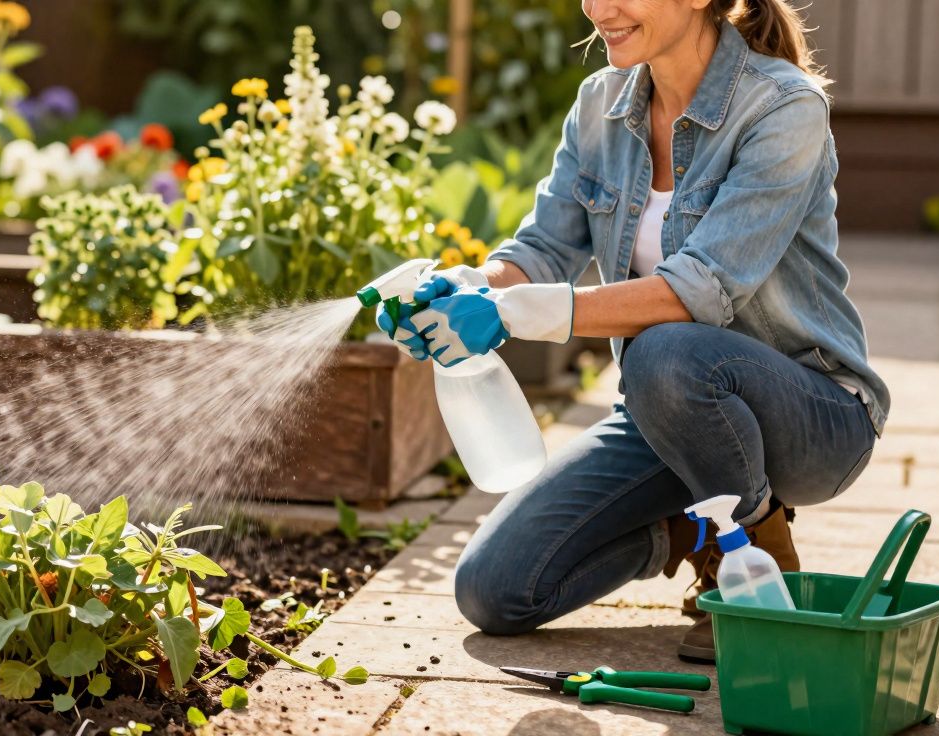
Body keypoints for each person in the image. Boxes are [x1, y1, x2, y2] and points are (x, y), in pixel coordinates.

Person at [378, 0, 888, 663]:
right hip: (670, 411)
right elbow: (540, 250)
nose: (599, 8)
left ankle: (754, 562)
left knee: (664, 350)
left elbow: (702, 290)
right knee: (494, 592)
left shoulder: (783, 108)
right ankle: (688, 528)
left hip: (814, 418)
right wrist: (461, 290)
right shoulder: (601, 103)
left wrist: (513, 315)